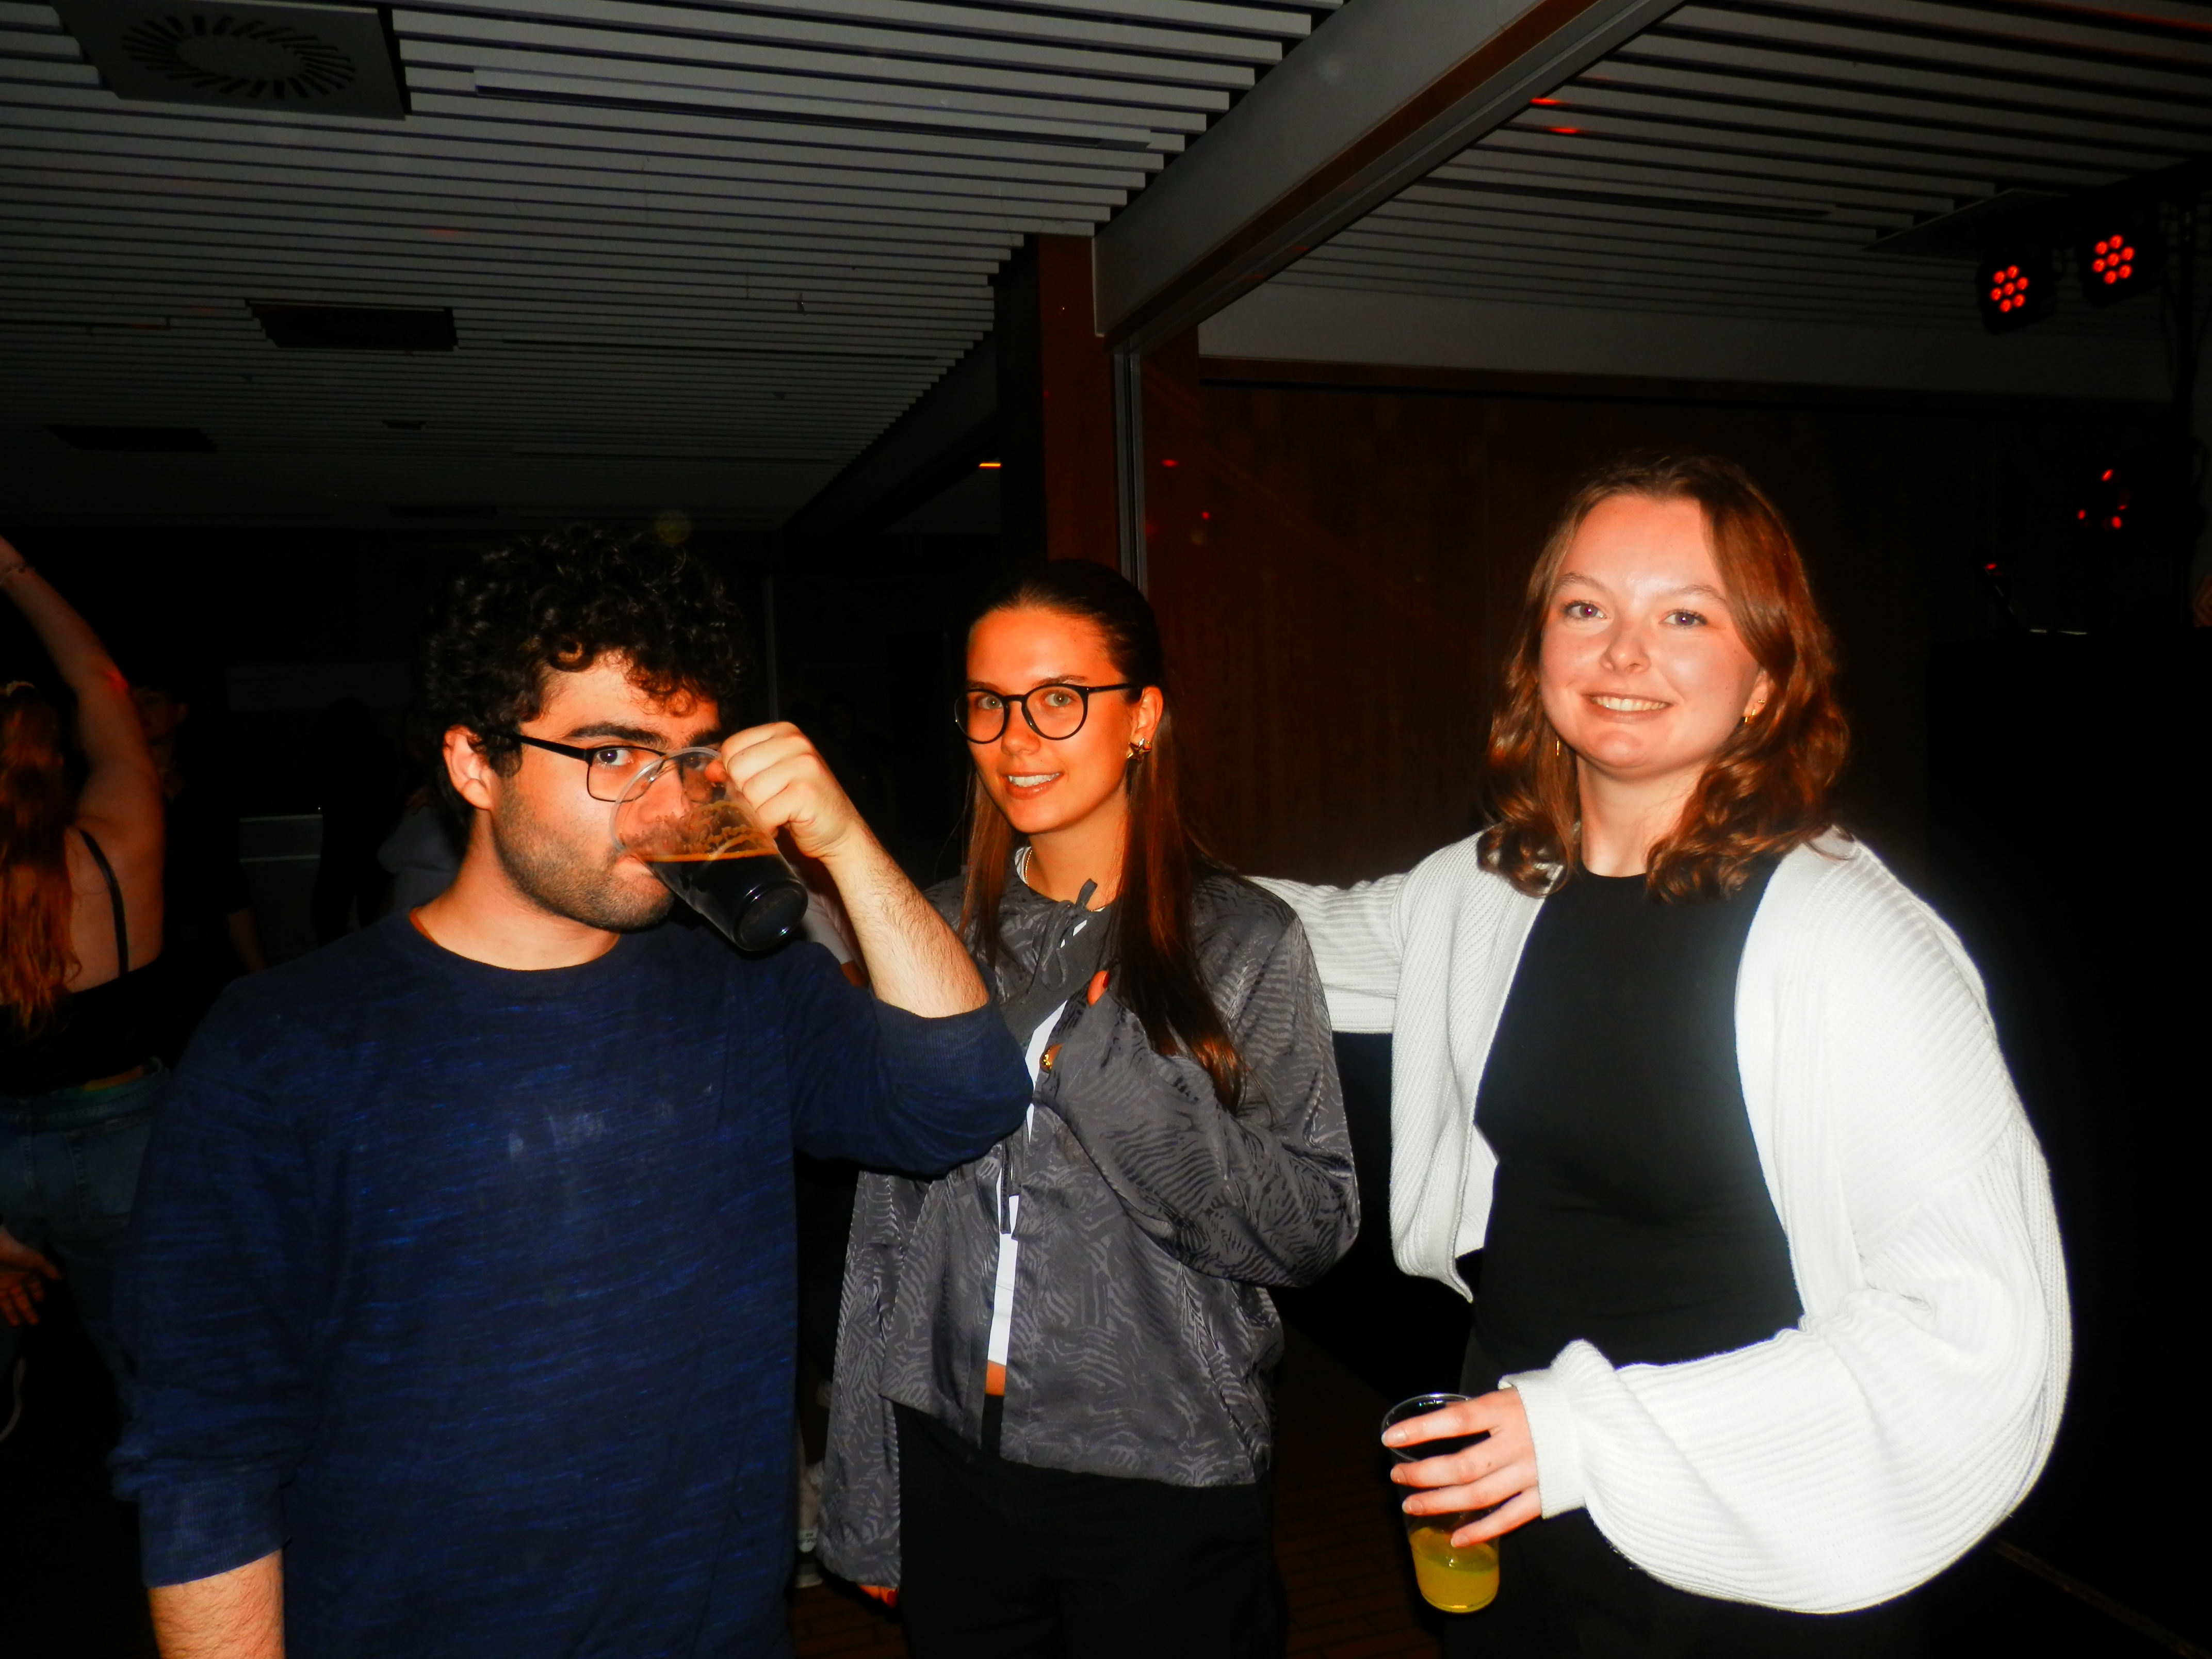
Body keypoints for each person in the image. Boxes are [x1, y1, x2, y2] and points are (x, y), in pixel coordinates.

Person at [112, 529, 1031, 1659]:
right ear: (473, 763)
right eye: (611, 754)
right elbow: (206, 1456)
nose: (664, 805)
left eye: (688, 758)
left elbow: (960, 1099)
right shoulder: (283, 1046)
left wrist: (844, 845)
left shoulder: (743, 985)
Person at [1257, 457, 2069, 1655]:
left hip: (1740, 1526)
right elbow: (1287, 946)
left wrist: (1584, 1431)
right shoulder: (1494, 888)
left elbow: (1971, 1327)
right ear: (1538, 651)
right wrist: (1091, 865)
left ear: (1765, 678)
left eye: (1683, 616)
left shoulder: (1852, 942)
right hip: (1510, 1481)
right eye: (1584, 607)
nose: (1621, 652)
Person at [821, 560, 1358, 1658]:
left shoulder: (1241, 939)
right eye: (987, 702)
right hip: (950, 1457)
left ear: (1141, 718)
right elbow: (886, 1231)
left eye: (1058, 699)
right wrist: (867, 1484)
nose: (1015, 737)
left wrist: (1110, 1077)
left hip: (1160, 1468)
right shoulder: (932, 930)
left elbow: (1310, 1228)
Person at [0, 535, 169, 1407]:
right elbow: (100, 683)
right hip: (120, 1134)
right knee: (147, 1352)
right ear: (58, 755)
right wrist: (14, 573)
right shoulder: (121, 840)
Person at [131, 664, 267, 1062]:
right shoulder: (109, 791)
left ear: (180, 711)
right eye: (130, 701)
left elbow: (229, 887)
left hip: (206, 958)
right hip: (141, 963)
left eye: (151, 699)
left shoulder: (208, 789)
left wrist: (259, 975)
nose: (138, 710)